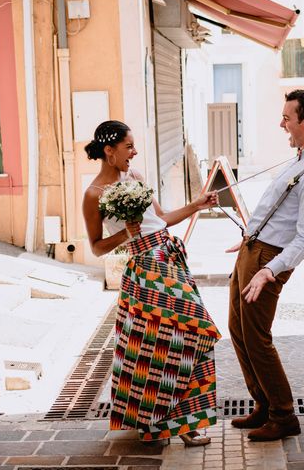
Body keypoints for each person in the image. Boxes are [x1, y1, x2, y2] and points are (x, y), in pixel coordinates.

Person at [82, 120, 221, 447]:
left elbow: (163, 219)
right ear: (109, 150)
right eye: (129, 146)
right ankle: (154, 425)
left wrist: (197, 205)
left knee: (191, 336)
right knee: (152, 351)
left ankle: (184, 423)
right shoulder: (93, 195)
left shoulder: (137, 178)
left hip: (170, 263)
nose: (135, 152)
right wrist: (125, 234)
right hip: (143, 272)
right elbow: (97, 247)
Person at [226, 90, 304, 441]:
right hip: (251, 250)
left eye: (287, 118)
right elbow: (276, 211)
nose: (281, 123)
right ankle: (264, 404)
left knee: (257, 339)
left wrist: (269, 268)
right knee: (239, 331)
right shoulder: (300, 160)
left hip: (267, 260)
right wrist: (248, 238)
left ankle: (284, 415)